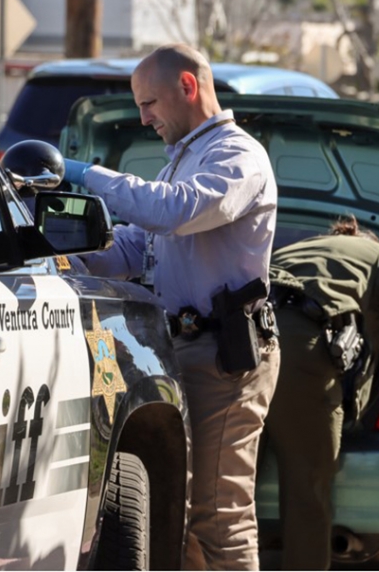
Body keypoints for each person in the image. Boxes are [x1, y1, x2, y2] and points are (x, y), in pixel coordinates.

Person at [61, 43, 280, 570]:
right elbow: (138, 246)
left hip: (223, 357)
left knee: (219, 516)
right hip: (184, 352)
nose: (143, 118)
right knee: (180, 517)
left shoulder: (237, 155)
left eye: (149, 103)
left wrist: (81, 174)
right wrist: (62, 257)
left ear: (188, 86)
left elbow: (175, 213)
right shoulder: (186, 156)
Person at [263, 215, 379, 570]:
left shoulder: (289, 250)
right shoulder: (375, 254)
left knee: (228, 483)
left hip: (240, 343)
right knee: (307, 492)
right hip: (299, 354)